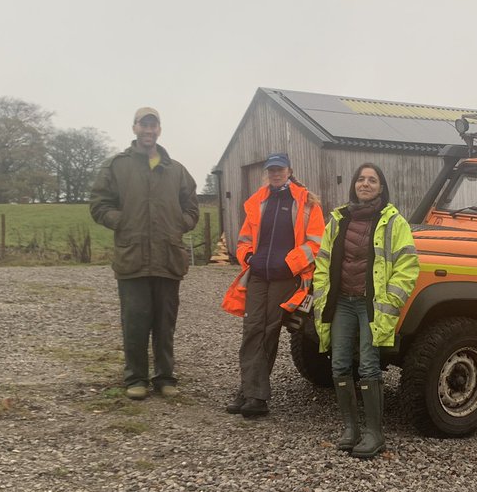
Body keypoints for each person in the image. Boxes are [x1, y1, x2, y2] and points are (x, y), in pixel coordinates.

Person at [90, 106, 200, 400]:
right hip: (133, 258)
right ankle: (135, 379)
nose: (149, 131)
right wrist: (121, 222)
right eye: (144, 125)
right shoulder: (116, 166)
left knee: (165, 324)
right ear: (135, 128)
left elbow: (192, 207)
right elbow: (99, 204)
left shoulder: (176, 170)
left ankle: (165, 377)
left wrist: (180, 224)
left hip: (168, 258)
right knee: (135, 322)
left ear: (159, 130)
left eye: (154, 126)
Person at [312, 163, 419, 459]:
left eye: (372, 180)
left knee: (369, 366)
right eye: (361, 179)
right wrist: (322, 299)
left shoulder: (394, 222)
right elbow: (323, 262)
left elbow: (408, 266)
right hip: (342, 303)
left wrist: (391, 303)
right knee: (339, 363)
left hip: (370, 307)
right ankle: (350, 429)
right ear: (354, 185)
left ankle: (374, 433)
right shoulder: (338, 219)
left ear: (381, 187)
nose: (365, 184)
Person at [221, 153, 325, 418]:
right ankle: (248, 389)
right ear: (267, 173)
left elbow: (316, 243)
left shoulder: (307, 202)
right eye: (271, 170)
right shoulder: (258, 201)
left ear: (289, 170)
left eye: (280, 169)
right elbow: (244, 239)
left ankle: (255, 395)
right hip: (258, 275)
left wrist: (289, 265)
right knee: (251, 329)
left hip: (285, 276)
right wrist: (249, 258)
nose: (275, 173)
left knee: (268, 330)